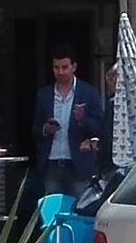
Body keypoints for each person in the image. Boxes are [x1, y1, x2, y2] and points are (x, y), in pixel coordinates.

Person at [31, 50, 106, 203]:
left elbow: (100, 128)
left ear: (74, 67)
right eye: (56, 67)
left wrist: (82, 119)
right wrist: (46, 129)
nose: (60, 72)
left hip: (79, 165)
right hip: (52, 164)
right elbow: (35, 129)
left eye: (64, 67)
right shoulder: (44, 95)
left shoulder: (88, 93)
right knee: (51, 212)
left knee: (79, 209)